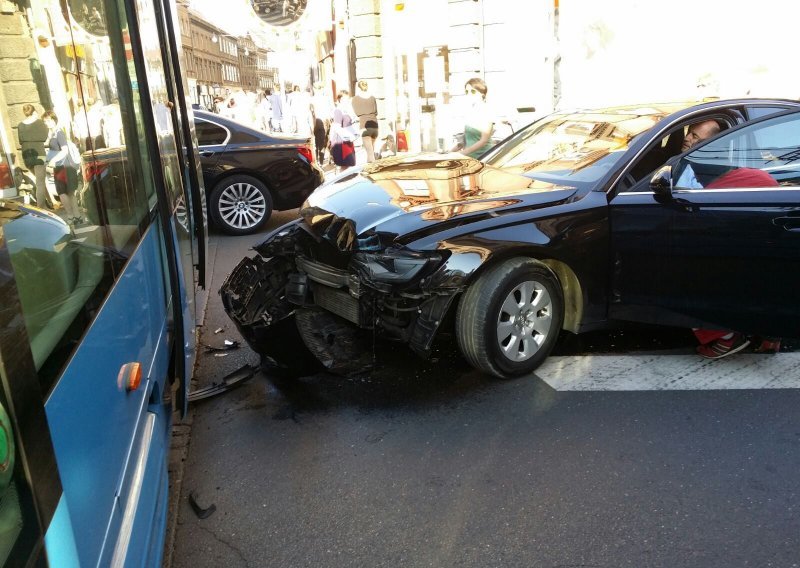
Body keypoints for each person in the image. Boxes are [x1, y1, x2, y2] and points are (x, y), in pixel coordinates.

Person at [42, 110, 82, 223]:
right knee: (69, 192)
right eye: (45, 121)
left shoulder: (58, 133)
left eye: (48, 120)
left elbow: (64, 150)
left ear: (54, 120)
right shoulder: (53, 133)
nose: (46, 123)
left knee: (63, 192)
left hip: (63, 166)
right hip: (63, 166)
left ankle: (71, 216)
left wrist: (53, 160)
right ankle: (76, 216)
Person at [451, 77, 494, 159]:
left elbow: (483, 141)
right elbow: (466, 140)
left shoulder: (486, 112)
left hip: (484, 158)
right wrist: (449, 153)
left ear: (482, 94)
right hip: (471, 158)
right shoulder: (471, 112)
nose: (469, 94)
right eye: (467, 91)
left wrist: (462, 153)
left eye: (473, 91)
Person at [17, 103, 49, 208]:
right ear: (34, 111)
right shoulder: (39, 123)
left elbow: (20, 141)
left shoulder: (20, 125)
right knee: (40, 182)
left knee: (39, 180)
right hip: (39, 154)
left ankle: (50, 201)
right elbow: (44, 137)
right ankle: (41, 208)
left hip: (27, 156)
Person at [329, 90, 358, 172]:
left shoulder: (346, 110)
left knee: (348, 165)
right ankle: (342, 183)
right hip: (341, 142)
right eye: (346, 99)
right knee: (345, 166)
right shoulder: (338, 110)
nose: (348, 101)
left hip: (347, 140)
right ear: (340, 99)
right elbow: (337, 127)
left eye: (348, 99)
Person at [352, 80, 379, 163]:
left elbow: (356, 113)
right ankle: (370, 170)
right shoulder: (372, 97)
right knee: (371, 150)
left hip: (364, 125)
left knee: (370, 154)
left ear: (358, 87)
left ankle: (374, 170)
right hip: (374, 124)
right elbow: (376, 111)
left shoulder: (355, 99)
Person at [311, 82, 334, 163]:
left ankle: (318, 161)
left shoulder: (312, 99)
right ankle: (322, 160)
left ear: (314, 88)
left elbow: (311, 112)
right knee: (324, 142)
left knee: (316, 142)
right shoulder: (327, 98)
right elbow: (332, 111)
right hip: (326, 121)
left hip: (316, 122)